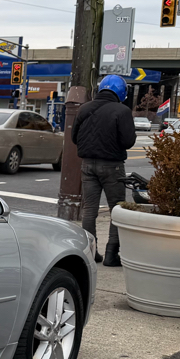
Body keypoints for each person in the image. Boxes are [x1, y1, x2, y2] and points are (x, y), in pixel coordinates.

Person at [71, 73, 136, 267]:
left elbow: (75, 137)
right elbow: (128, 141)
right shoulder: (121, 111)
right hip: (112, 166)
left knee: (90, 209)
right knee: (116, 208)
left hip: (87, 164)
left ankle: (91, 253)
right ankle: (111, 254)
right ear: (121, 92)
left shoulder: (84, 109)